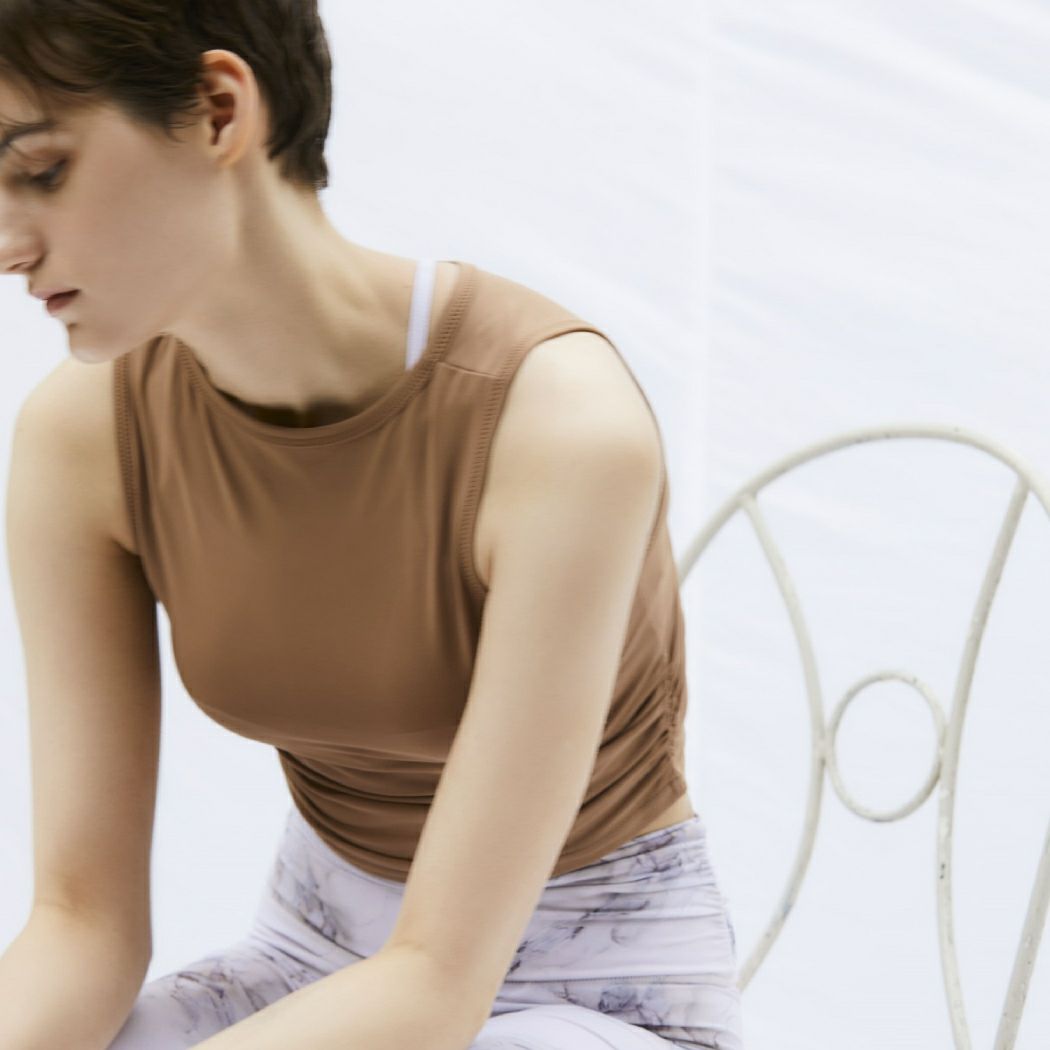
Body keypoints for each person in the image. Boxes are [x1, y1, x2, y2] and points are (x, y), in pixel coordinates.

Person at [0, 3, 743, 1049]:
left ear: (219, 110)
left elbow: (439, 981)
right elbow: (82, 923)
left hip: (595, 990)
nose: (6, 245)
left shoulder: (558, 427)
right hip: (314, 960)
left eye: (40, 171)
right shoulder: (82, 440)